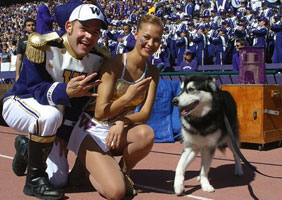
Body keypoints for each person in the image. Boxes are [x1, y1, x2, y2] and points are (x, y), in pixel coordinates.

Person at [2, 4, 108, 200]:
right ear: (68, 26)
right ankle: (33, 183)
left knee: (58, 179)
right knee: (50, 115)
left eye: (95, 32)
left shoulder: (97, 57)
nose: (89, 36)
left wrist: (65, 133)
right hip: (21, 102)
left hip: (55, 119)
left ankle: (26, 148)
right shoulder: (43, 44)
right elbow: (34, 88)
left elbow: (79, 103)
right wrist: (65, 90)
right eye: (83, 29)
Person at [67, 14, 163, 200]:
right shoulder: (115, 63)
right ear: (135, 35)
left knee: (146, 134)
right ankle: (87, 168)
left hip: (115, 129)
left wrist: (122, 121)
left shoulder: (152, 72)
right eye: (146, 37)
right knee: (116, 193)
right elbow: (100, 112)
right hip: (91, 128)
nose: (151, 43)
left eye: (157, 40)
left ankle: (123, 172)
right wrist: (127, 97)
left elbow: (145, 114)